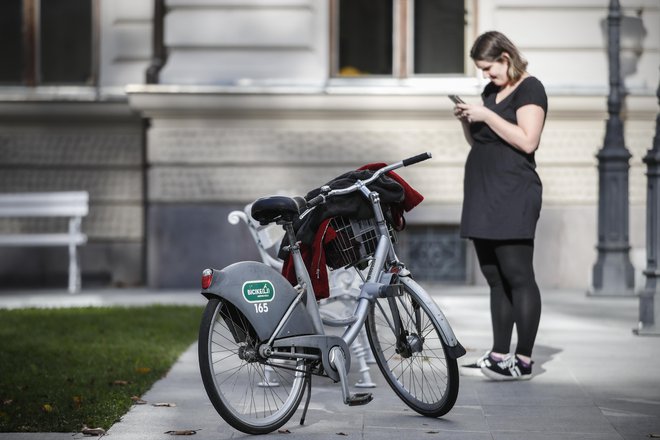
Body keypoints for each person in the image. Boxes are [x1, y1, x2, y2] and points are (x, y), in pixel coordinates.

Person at [453, 31, 547, 380]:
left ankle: (522, 360)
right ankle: (497, 355)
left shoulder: (530, 88)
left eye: (489, 69)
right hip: (482, 191)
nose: (486, 77)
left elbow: (527, 140)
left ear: (506, 59)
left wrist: (487, 115)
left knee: (518, 276)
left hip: (513, 191)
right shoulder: (491, 93)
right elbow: (481, 140)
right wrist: (469, 120)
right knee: (494, 277)